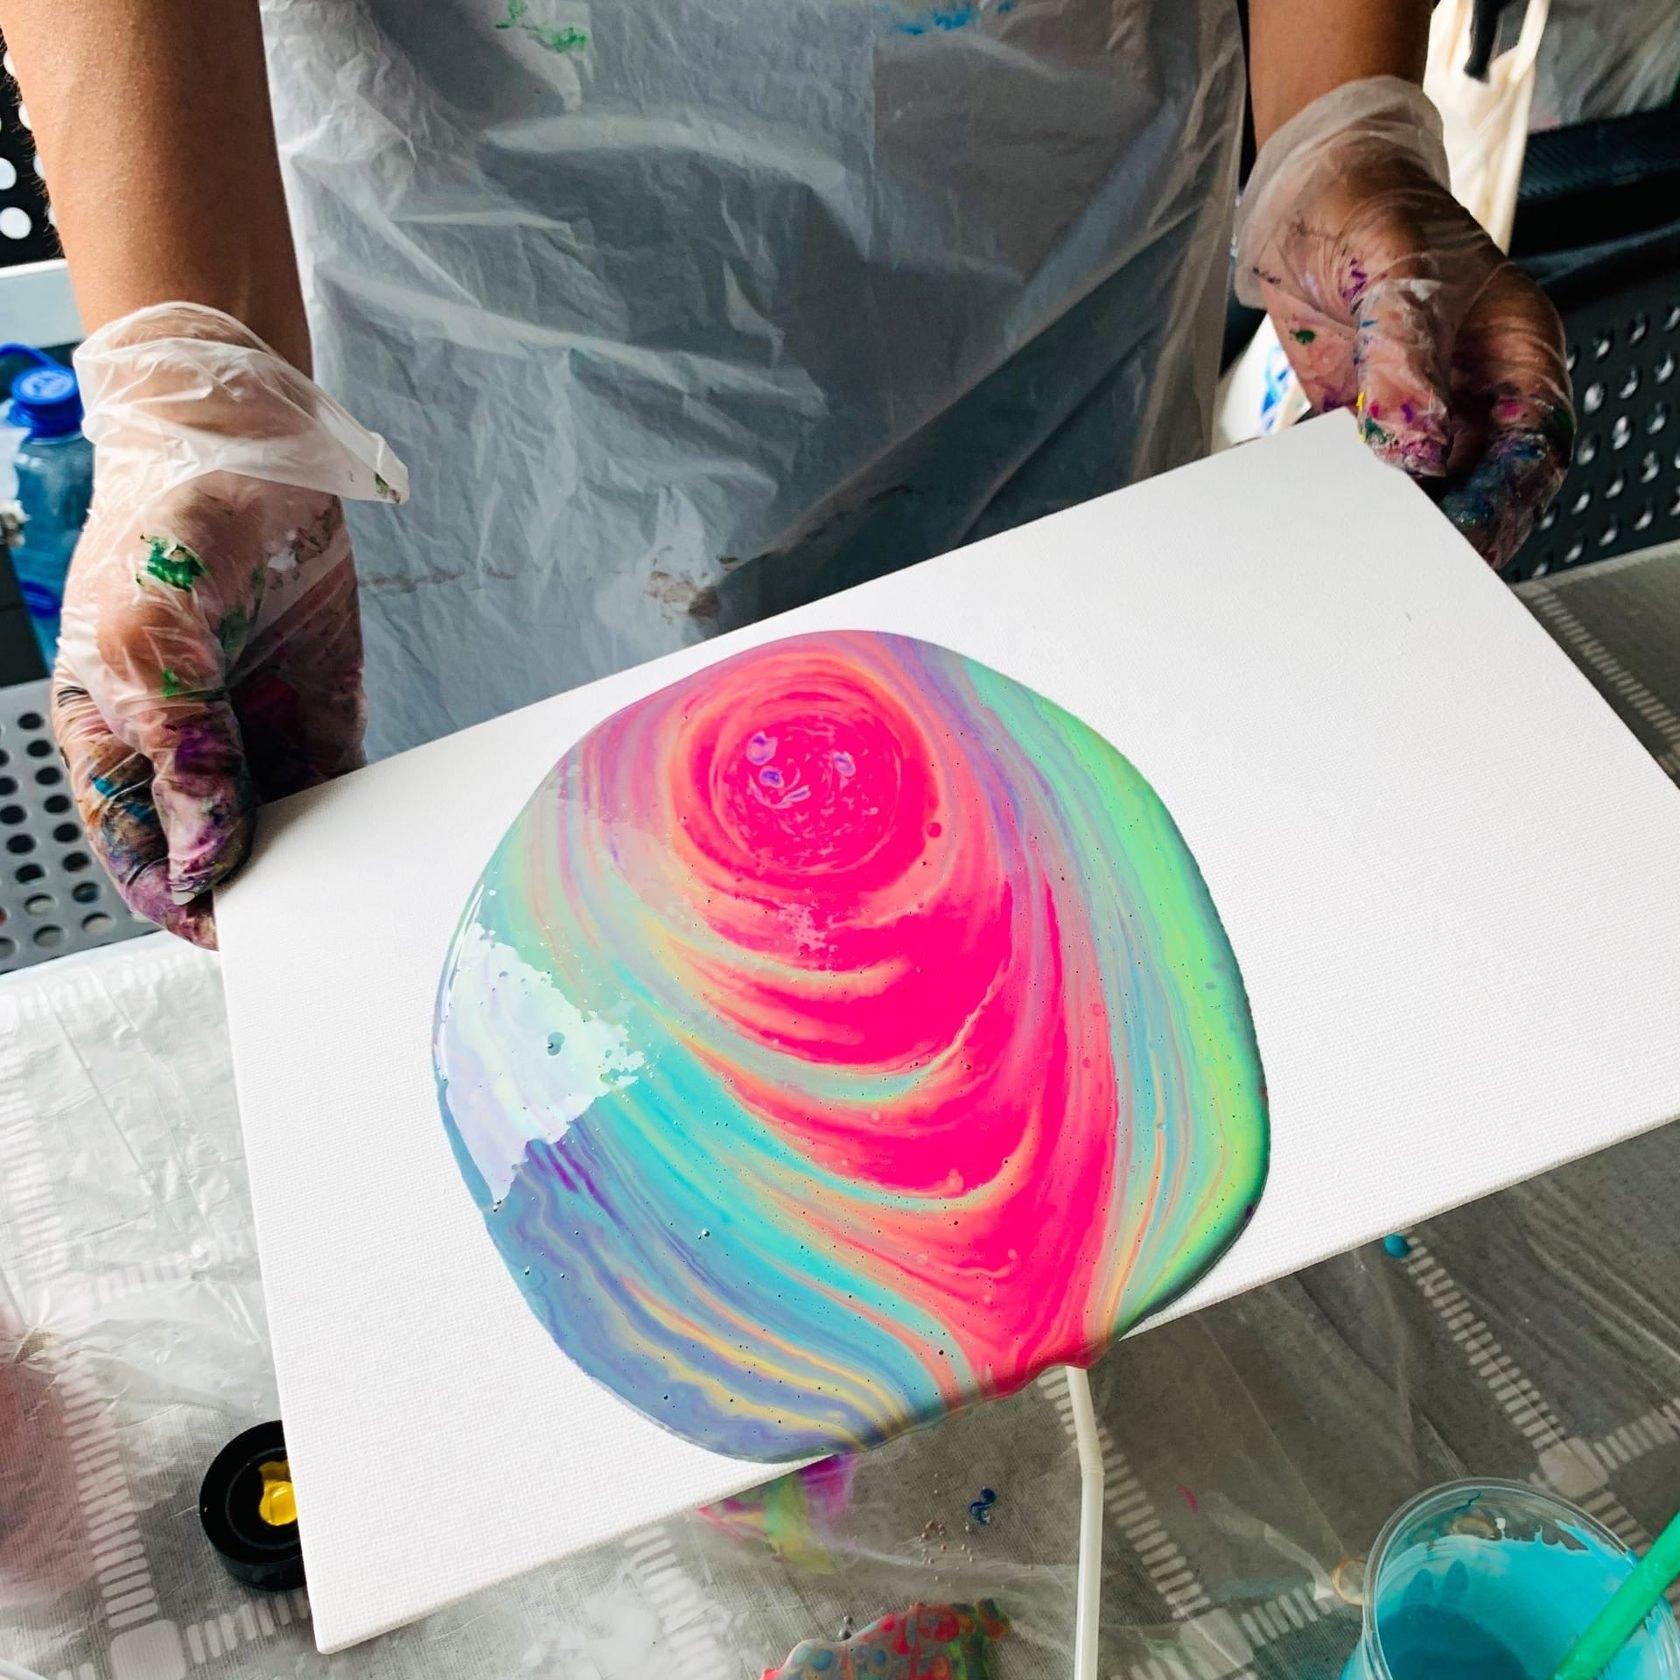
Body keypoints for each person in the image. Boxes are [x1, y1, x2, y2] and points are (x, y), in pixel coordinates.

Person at [1, 0, 1571, 946]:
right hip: (470, 330)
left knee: (1060, 890)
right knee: (561, 956)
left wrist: (1337, 132)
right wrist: (201, 403)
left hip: (1049, 241)